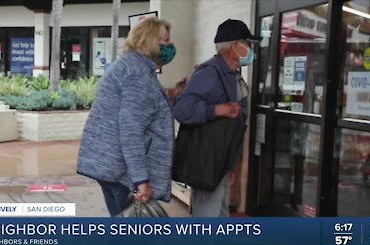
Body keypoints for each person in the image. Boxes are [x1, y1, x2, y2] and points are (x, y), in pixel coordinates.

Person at [77, 17, 176, 218]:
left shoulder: (129, 66)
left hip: (111, 166)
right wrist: (141, 180)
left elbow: (139, 111)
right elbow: (131, 130)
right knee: (132, 239)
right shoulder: (138, 74)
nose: (170, 45)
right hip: (123, 173)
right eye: (165, 40)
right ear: (150, 41)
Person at [174, 19, 261, 217]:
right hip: (207, 162)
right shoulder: (210, 73)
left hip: (221, 161)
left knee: (220, 216)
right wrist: (216, 110)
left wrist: (231, 164)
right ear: (234, 46)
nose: (250, 50)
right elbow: (182, 110)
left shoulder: (232, 75)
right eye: (247, 44)